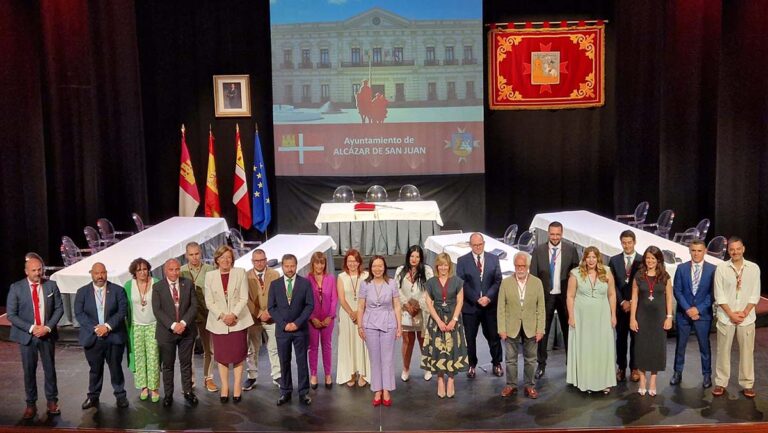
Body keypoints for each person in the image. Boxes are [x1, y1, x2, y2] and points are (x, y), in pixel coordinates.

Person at [7, 256, 64, 419]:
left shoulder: (51, 286)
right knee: (29, 371)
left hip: (46, 335)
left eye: (40, 269)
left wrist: (47, 327)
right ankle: (30, 404)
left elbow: (59, 309)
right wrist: (32, 328)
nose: (38, 273)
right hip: (27, 336)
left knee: (50, 370)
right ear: (26, 272)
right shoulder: (16, 288)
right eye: (34, 270)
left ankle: (52, 401)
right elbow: (11, 314)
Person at [75, 262, 129, 409]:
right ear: (91, 274)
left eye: (103, 273)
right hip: (92, 337)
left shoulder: (118, 290)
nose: (100, 276)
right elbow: (79, 314)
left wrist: (107, 326)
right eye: (97, 273)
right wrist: (96, 329)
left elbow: (122, 311)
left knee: (116, 368)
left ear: (106, 273)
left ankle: (120, 395)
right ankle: (93, 397)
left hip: (113, 336)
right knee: (95, 369)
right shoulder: (82, 292)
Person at [529, 221, 580, 379]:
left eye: (558, 234)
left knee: (568, 331)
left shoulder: (571, 250)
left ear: (562, 234)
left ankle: (571, 364)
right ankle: (541, 365)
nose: (555, 237)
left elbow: (576, 275)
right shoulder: (539, 251)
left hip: (565, 297)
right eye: (552, 234)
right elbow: (534, 276)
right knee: (542, 331)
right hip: (546, 296)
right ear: (548, 233)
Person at [712, 237, 761, 399]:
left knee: (747, 352)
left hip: (746, 318)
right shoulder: (721, 268)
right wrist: (732, 314)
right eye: (732, 249)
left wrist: (744, 313)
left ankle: (747, 384)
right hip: (726, 317)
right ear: (728, 251)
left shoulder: (753, 268)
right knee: (722, 351)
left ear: (743, 249)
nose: (735, 252)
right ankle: (720, 383)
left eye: (738, 249)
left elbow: (755, 294)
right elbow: (719, 295)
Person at [204, 245, 253, 403]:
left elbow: (244, 297)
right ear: (217, 260)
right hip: (218, 322)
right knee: (222, 357)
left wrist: (233, 315)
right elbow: (209, 301)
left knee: (238, 355)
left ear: (232, 259)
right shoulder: (210, 276)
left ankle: (237, 386)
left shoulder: (240, 273)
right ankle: (225, 387)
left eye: (228, 257)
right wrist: (223, 316)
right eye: (222, 257)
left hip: (237, 321)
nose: (226, 260)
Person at [566, 247, 617, 394]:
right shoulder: (575, 273)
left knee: (602, 348)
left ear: (598, 258)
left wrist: (613, 315)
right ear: (584, 258)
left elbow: (612, 294)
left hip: (602, 315)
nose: (591, 260)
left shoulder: (606, 272)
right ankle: (586, 381)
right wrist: (571, 316)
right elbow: (570, 296)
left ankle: (603, 382)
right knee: (586, 347)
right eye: (588, 257)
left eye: (594, 257)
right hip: (583, 318)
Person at [268, 254, 314, 406]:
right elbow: (271, 308)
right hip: (282, 331)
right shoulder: (274, 285)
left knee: (302, 361)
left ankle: (303, 392)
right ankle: (285, 391)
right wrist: (283, 324)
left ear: (296, 265)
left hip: (300, 330)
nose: (289, 269)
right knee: (284, 361)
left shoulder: (305, 283)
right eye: (287, 266)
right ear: (282, 266)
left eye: (292, 266)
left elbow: (309, 306)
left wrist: (297, 323)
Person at [498, 252, 545, 399]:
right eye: (518, 266)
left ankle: (529, 386)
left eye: (523, 266)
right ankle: (511, 385)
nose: (520, 268)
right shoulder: (506, 283)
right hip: (511, 326)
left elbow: (541, 308)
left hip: (531, 326)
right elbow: (501, 307)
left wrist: (540, 329)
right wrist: (502, 328)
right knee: (510, 359)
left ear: (528, 266)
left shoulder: (537, 282)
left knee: (531, 359)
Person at [455, 233, 503, 378]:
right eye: (475, 245)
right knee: (470, 338)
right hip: (471, 307)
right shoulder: (462, 261)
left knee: (493, 336)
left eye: (480, 244)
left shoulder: (493, 259)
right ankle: (472, 365)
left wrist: (488, 297)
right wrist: (477, 298)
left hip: (490, 306)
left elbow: (497, 280)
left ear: (484, 243)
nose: (478, 247)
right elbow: (461, 283)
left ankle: (496, 363)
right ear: (470, 245)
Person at [152, 258, 198, 407]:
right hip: (166, 333)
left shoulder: (188, 284)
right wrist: (173, 325)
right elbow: (157, 310)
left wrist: (183, 323)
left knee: (186, 364)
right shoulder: (158, 287)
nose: (174, 272)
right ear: (165, 271)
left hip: (186, 331)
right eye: (171, 269)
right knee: (168, 365)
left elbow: (194, 306)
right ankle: (168, 395)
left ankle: (188, 392)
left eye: (177, 269)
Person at [421, 253, 468, 398]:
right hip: (437, 320)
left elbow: (460, 301)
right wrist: (439, 321)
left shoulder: (457, 281)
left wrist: (453, 320)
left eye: (445, 265)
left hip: (453, 319)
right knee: (438, 350)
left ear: (449, 266)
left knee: (453, 349)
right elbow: (429, 303)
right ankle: (440, 379)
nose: (443, 267)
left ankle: (451, 380)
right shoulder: (431, 282)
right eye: (440, 265)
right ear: (436, 266)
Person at [358, 255, 402, 406]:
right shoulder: (365, 284)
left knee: (387, 358)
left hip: (389, 322)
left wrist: (399, 326)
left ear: (385, 267)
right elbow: (360, 306)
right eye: (374, 266)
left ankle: (387, 389)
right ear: (370, 268)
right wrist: (360, 326)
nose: (377, 269)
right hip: (369, 323)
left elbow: (396, 305)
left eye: (380, 266)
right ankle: (377, 389)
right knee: (374, 358)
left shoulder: (391, 283)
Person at [671, 239, 716, 388]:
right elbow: (677, 291)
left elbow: (713, 294)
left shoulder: (712, 269)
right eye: (694, 250)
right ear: (690, 251)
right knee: (680, 345)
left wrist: (698, 309)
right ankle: (677, 372)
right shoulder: (681, 268)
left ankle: (707, 375)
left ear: (705, 252)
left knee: (704, 346)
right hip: (684, 314)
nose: (696, 254)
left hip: (703, 315)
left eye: (699, 251)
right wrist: (688, 309)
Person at [629, 246, 673, 396]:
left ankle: (653, 381)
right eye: (648, 258)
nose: (650, 261)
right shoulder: (639, 275)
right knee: (641, 349)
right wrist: (632, 318)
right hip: (642, 317)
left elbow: (669, 298)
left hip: (659, 319)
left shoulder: (665, 276)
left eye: (653, 258)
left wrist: (669, 317)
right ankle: (642, 380)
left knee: (656, 349)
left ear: (658, 260)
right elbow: (634, 298)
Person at [180, 242, 218, 393]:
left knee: (209, 349)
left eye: (197, 254)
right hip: (188, 317)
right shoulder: (181, 271)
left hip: (206, 315)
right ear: (186, 255)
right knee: (188, 350)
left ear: (201, 253)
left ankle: (208, 378)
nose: (194, 257)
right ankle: (190, 380)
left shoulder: (210, 270)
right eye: (191, 254)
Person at [607, 230, 643, 383]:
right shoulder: (614, 261)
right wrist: (622, 302)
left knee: (636, 339)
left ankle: (635, 368)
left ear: (634, 242)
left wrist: (632, 302)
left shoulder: (642, 260)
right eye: (624, 242)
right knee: (620, 339)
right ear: (621, 243)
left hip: (637, 307)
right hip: (620, 307)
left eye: (629, 242)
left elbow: (644, 284)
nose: (627, 245)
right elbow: (611, 284)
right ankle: (621, 367)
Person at [123, 258, 160, 402]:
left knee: (153, 357)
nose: (142, 272)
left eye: (145, 269)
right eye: (139, 270)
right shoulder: (128, 285)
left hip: (153, 325)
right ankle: (143, 386)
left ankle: (154, 388)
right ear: (134, 272)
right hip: (136, 326)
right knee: (139, 358)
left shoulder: (155, 282)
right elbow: (125, 307)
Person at [243, 248, 281, 390]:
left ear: (266, 260)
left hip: (271, 317)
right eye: (256, 260)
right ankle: (252, 376)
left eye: (262, 260)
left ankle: (277, 375)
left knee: (274, 347)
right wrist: (259, 313)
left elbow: (278, 295)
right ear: (252, 261)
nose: (259, 263)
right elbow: (245, 298)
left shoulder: (275, 274)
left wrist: (269, 312)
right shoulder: (246, 276)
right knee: (252, 349)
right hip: (254, 318)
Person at [395, 245, 434, 382]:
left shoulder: (427, 270)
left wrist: (418, 304)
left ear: (421, 258)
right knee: (407, 341)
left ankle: (427, 367)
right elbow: (397, 289)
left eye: (417, 256)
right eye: (412, 256)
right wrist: (406, 304)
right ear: (408, 257)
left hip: (422, 310)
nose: (414, 259)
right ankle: (406, 368)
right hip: (406, 310)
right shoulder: (400, 270)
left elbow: (430, 289)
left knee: (423, 340)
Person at [335, 249, 371, 387]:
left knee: (361, 342)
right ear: (346, 262)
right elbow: (342, 299)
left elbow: (369, 296)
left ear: (359, 262)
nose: (352, 264)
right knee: (348, 342)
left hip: (364, 312)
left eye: (355, 261)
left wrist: (359, 312)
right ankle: (350, 373)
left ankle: (362, 373)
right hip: (347, 314)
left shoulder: (366, 275)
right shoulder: (341, 276)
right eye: (349, 261)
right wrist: (351, 313)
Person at [308, 251, 338, 389]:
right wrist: (312, 318)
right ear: (312, 264)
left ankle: (327, 374)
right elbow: (305, 301)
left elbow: (334, 299)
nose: (319, 266)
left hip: (328, 319)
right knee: (313, 347)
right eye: (317, 263)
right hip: (312, 320)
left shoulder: (331, 278)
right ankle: (313, 374)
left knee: (327, 346)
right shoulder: (307, 279)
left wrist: (330, 316)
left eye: (322, 263)